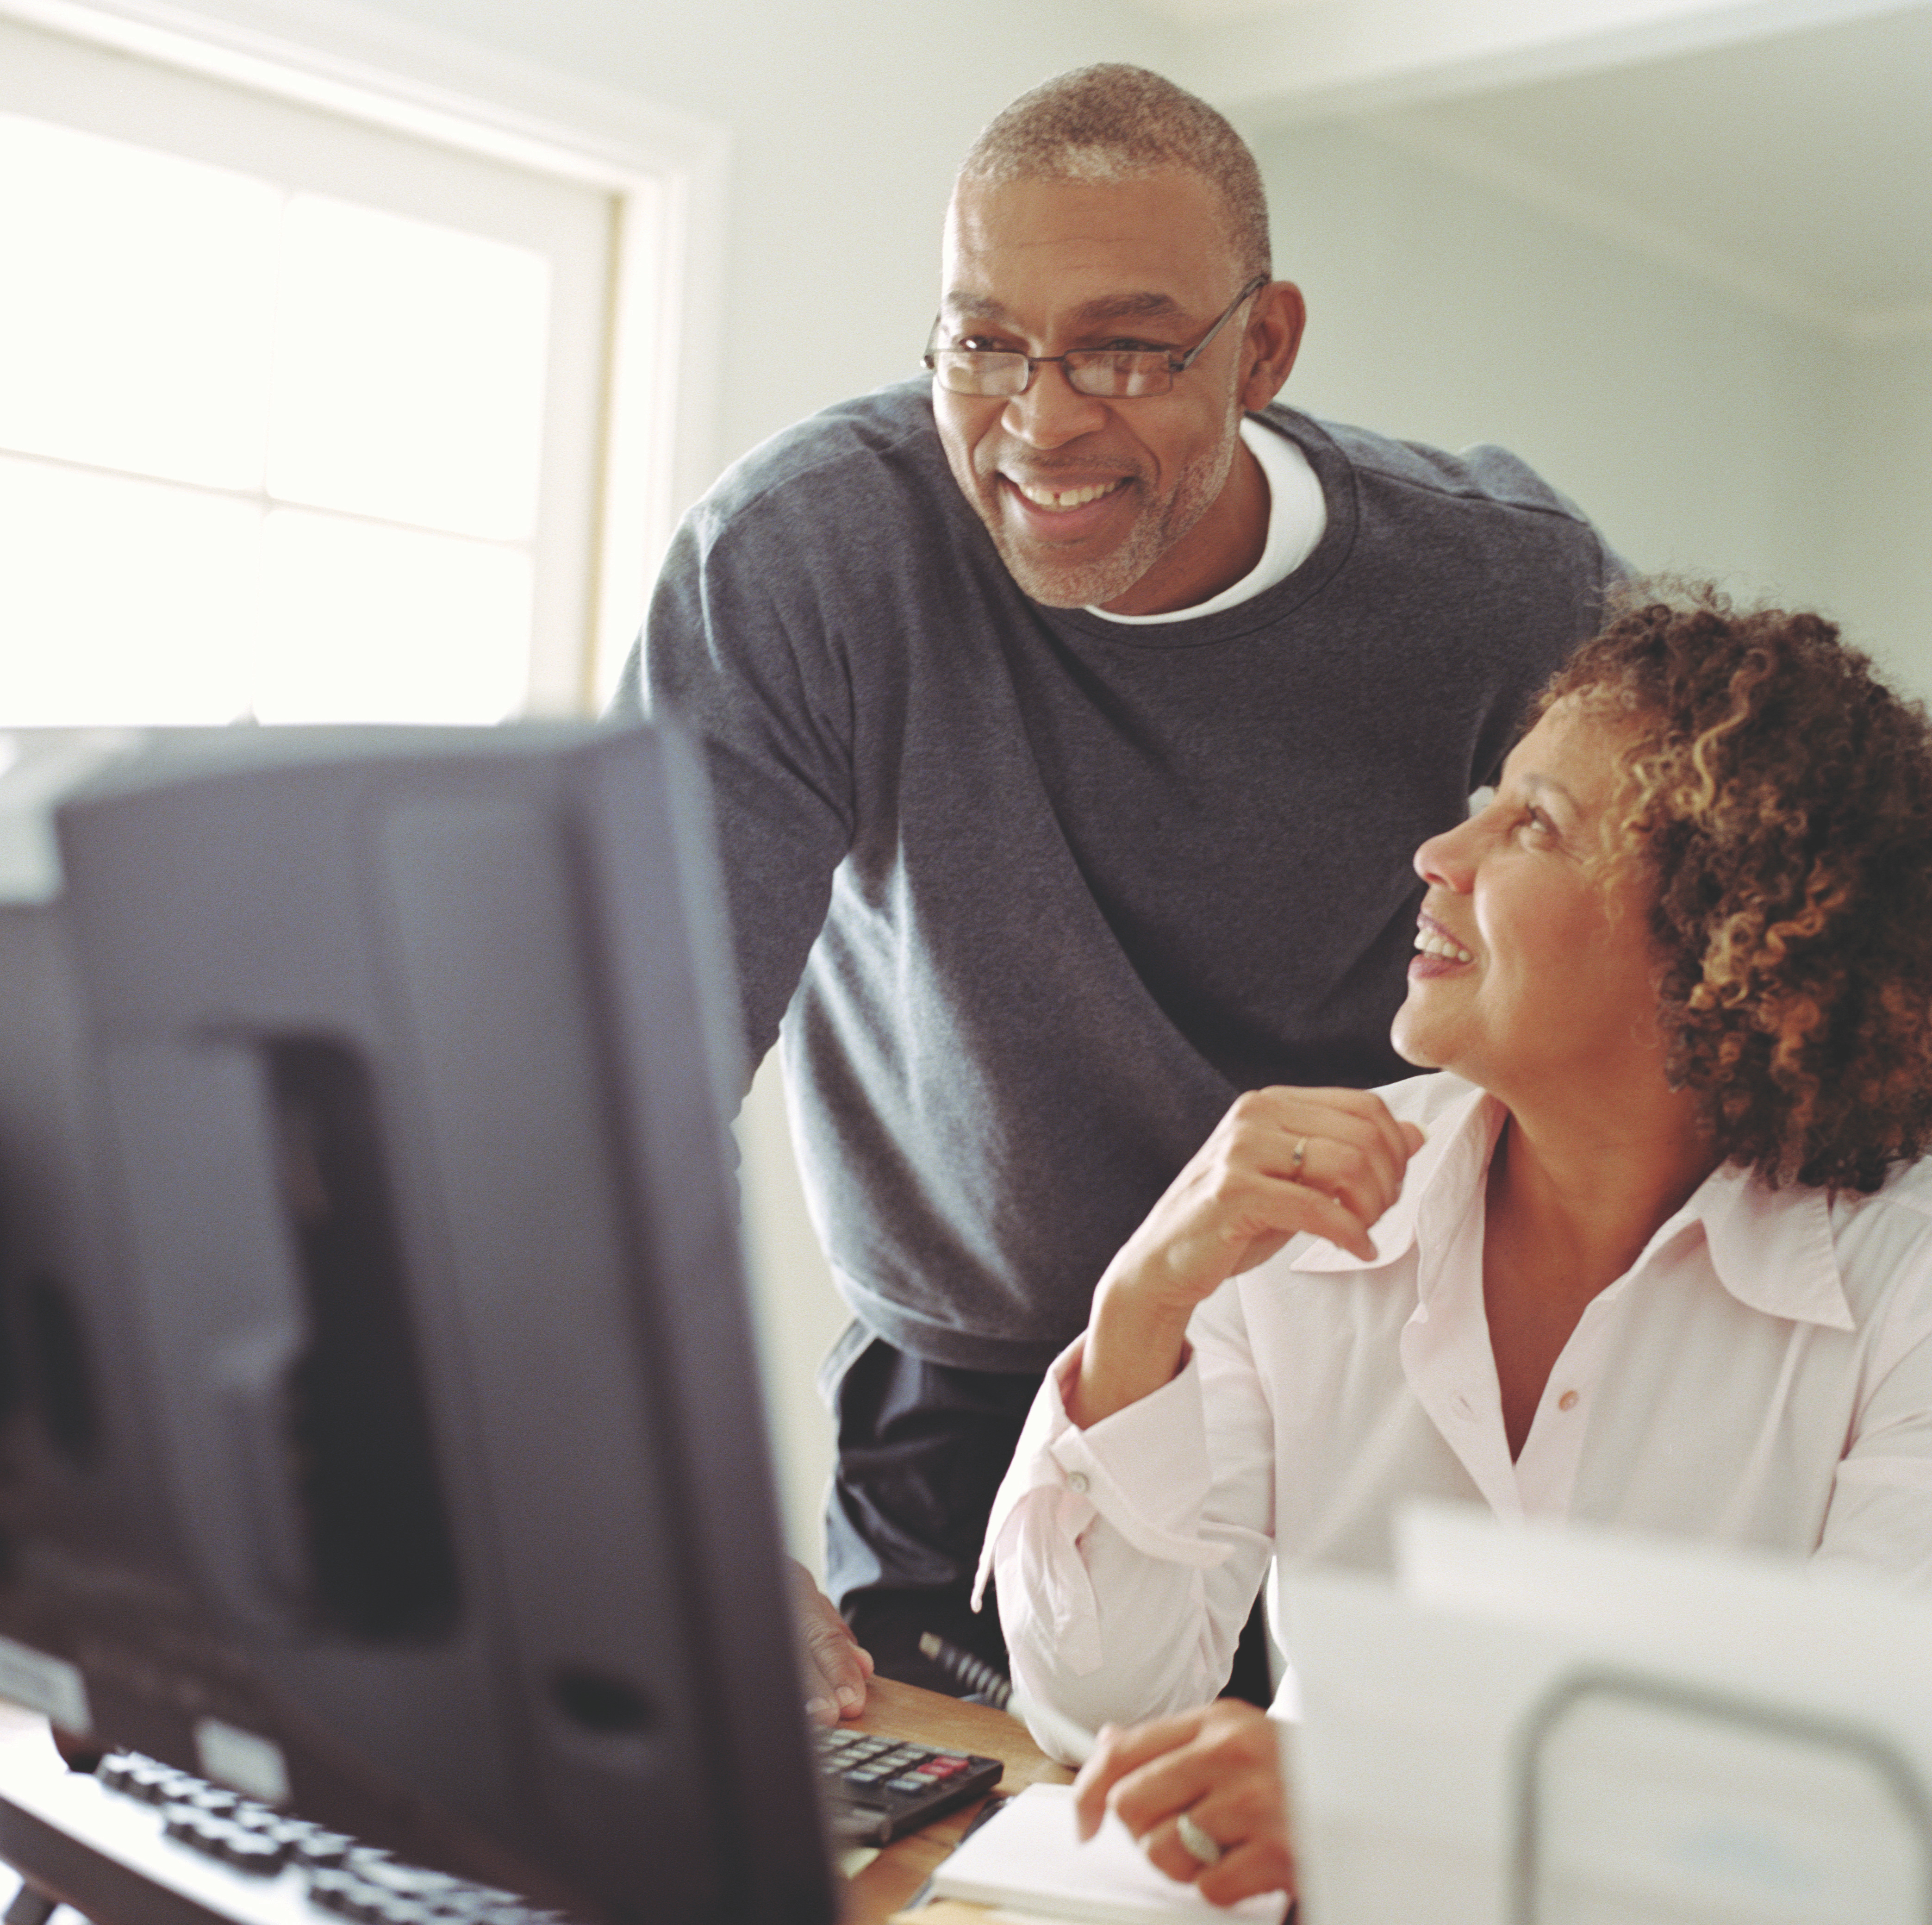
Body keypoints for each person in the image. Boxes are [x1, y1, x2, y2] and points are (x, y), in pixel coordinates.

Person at [613, 63, 1621, 1717]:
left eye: (1129, 350)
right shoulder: (807, 559)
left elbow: (1701, 908)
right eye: (984, 341)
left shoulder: (1500, 583)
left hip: (1352, 1370)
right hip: (973, 1377)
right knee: (952, 1852)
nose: (1042, 418)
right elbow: (613, 1086)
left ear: (1266, 347)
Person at [980, 590, 1932, 1904]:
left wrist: (1391, 1804)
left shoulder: (1906, 1286)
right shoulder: (1310, 1209)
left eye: (1531, 825)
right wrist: (1142, 1304)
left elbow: (1873, 1800)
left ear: (1717, 938)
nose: (1439, 851)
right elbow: (1101, 1708)